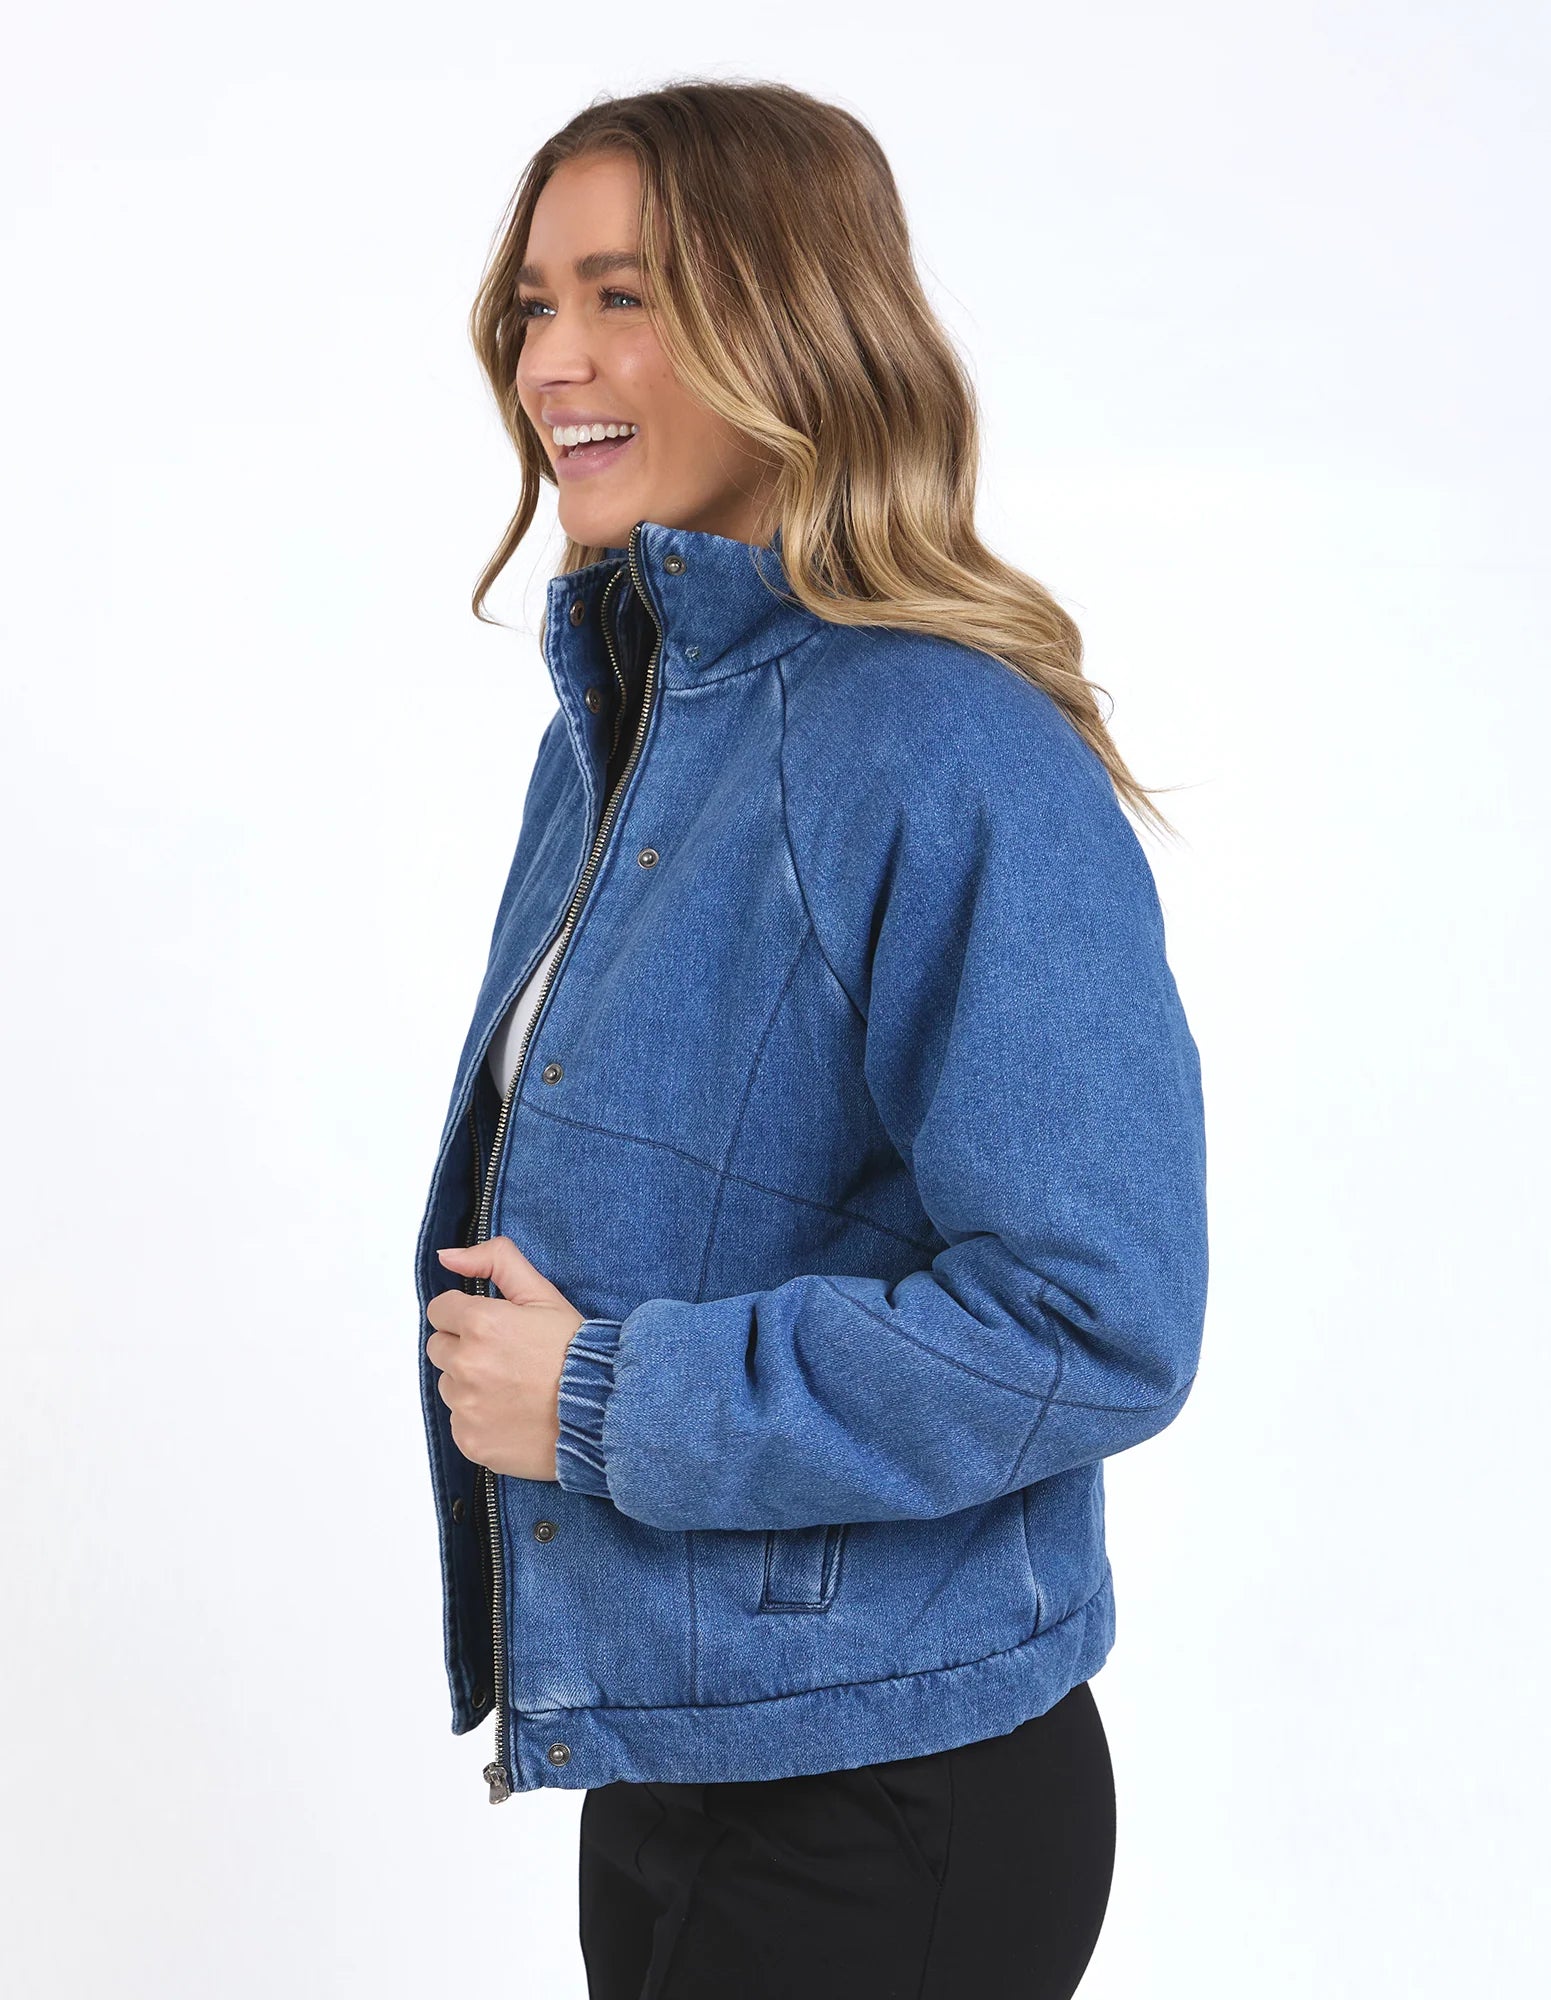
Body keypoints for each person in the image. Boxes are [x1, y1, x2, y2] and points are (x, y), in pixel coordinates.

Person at [417, 78, 1209, 2000]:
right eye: (535, 305)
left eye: (623, 297)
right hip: (681, 1743)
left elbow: (1099, 1317)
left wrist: (606, 1401)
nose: (551, 362)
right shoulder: (621, 730)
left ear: (790, 324)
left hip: (893, 1796)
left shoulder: (949, 746)